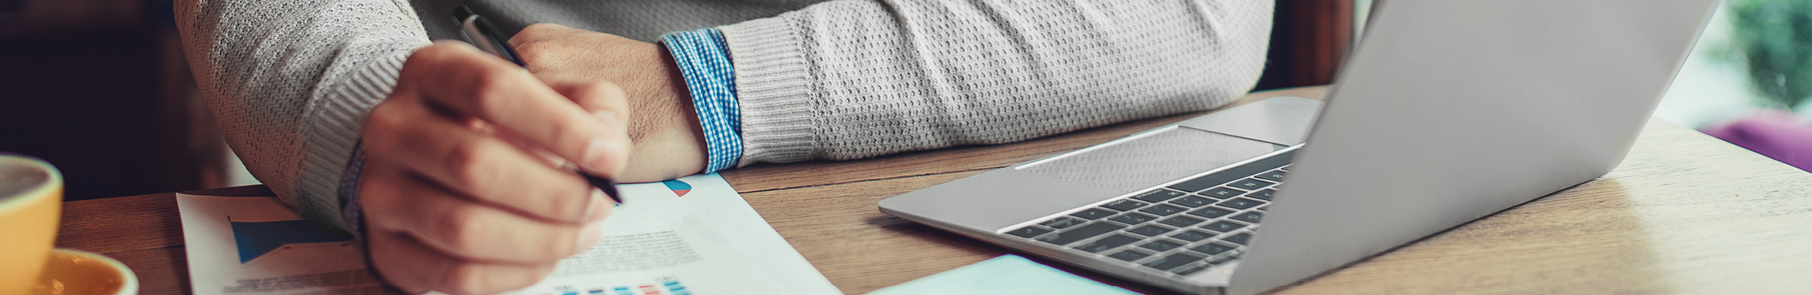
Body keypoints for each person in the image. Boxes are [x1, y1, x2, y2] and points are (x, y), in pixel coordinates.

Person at [175, 0, 1273, 293]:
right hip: (505, 174)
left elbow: (1198, 14)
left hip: (937, 186)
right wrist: (372, 124)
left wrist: (692, 91)